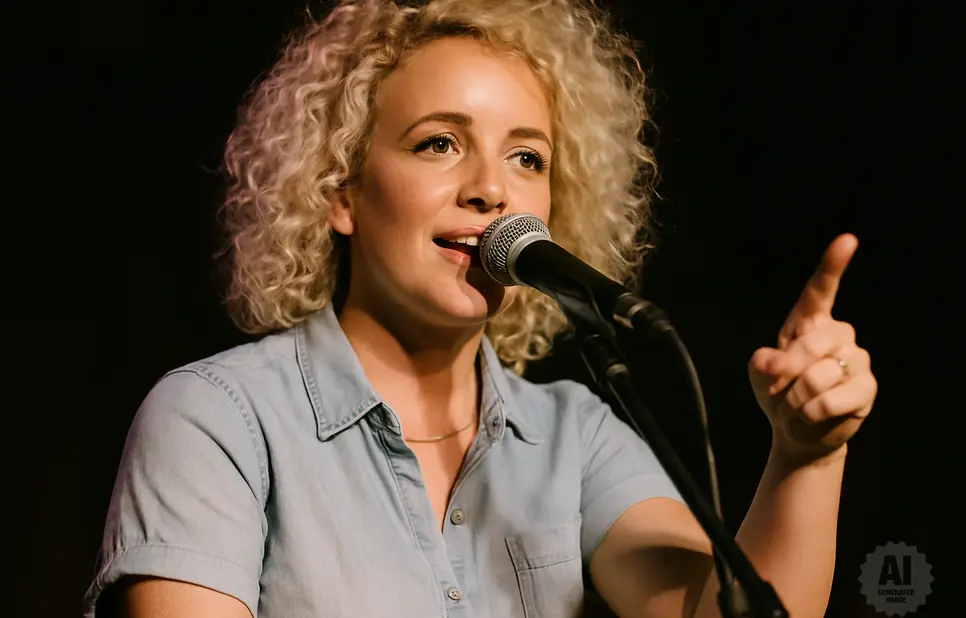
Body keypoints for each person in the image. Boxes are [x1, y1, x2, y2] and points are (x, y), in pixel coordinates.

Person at [84, 0, 878, 617]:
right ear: (341, 193)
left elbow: (718, 609)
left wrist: (805, 456)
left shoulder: (576, 433)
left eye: (525, 157)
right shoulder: (218, 419)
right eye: (439, 142)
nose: (491, 188)